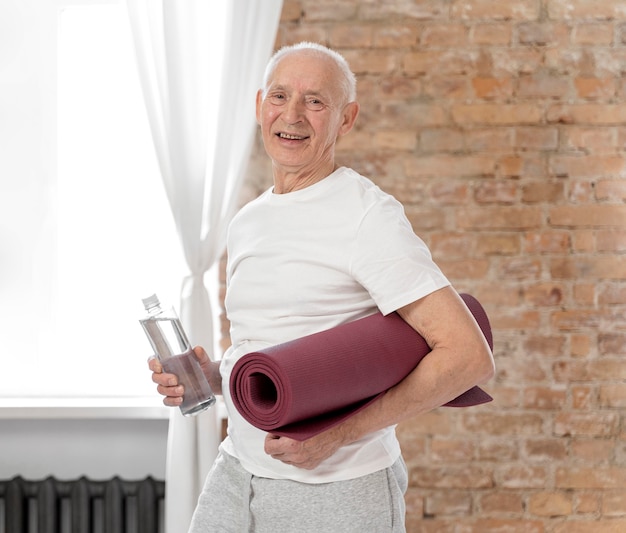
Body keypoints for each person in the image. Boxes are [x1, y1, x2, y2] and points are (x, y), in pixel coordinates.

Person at [149, 41, 495, 532]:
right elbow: (271, 348)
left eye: (315, 101)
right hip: (238, 473)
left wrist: (336, 434)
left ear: (346, 119)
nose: (292, 115)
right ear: (258, 106)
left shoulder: (367, 216)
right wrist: (213, 378)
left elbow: (467, 356)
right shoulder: (247, 222)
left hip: (339, 490)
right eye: (279, 96)